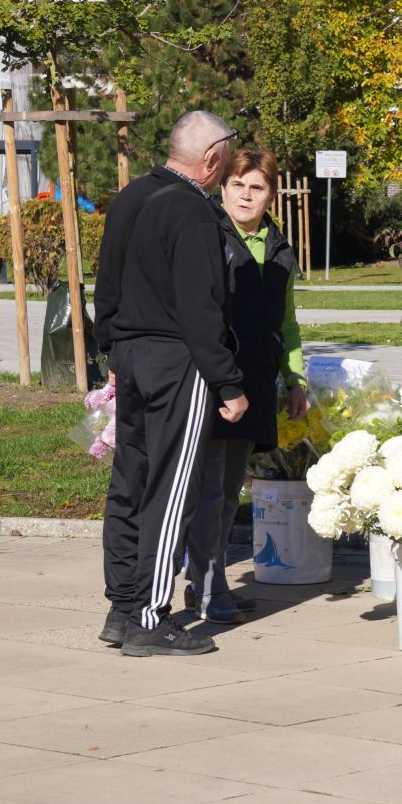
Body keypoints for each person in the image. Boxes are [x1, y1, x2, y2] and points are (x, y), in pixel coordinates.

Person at [100, 110, 247, 658]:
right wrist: (228, 381)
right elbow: (200, 309)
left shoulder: (132, 198)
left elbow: (107, 282)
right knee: (171, 488)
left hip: (132, 356)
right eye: (226, 158)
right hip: (176, 362)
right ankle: (150, 618)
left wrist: (111, 349)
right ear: (211, 159)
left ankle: (122, 609)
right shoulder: (193, 211)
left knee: (132, 482)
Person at [182, 149, 308, 624]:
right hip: (214, 380)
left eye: (256, 187)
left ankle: (206, 586)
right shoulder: (209, 236)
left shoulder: (278, 247)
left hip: (254, 382)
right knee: (211, 493)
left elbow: (286, 321)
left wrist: (294, 378)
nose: (245, 195)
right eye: (237, 185)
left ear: (271, 195)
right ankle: (208, 588)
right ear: (223, 188)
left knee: (229, 491)